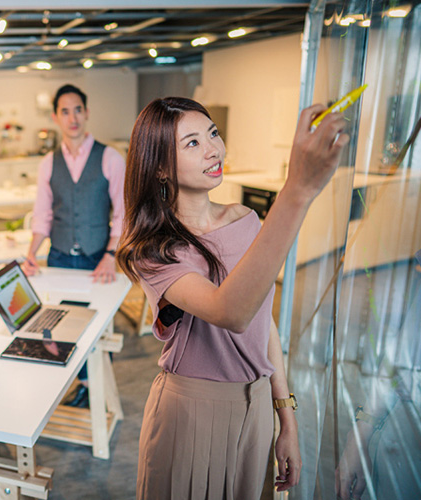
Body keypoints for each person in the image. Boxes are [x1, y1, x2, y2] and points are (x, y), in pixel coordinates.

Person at [117, 97, 348, 499]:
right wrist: (297, 190)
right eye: (192, 143)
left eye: (213, 133)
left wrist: (285, 420)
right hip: (192, 413)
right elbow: (232, 312)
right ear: (159, 167)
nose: (213, 149)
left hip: (257, 406)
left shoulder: (244, 219)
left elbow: (263, 322)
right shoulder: (155, 251)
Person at [22, 84, 126, 284]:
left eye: (78, 110)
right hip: (58, 257)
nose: (73, 119)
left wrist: (111, 255)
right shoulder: (48, 163)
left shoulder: (110, 157)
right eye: (65, 112)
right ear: (55, 117)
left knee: (100, 313)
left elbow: (124, 214)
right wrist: (32, 254)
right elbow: (42, 215)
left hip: (98, 257)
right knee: (60, 312)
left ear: (86, 113)